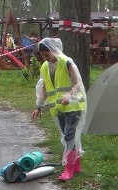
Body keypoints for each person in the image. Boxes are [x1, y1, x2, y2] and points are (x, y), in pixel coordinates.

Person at [31, 37, 86, 181]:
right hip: (58, 107)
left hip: (73, 106)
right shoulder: (45, 67)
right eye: (42, 56)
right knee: (69, 136)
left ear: (54, 50)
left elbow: (78, 83)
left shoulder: (66, 62)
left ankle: (69, 170)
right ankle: (77, 165)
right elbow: (43, 88)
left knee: (69, 135)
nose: (45, 58)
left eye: (47, 55)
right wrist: (39, 106)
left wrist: (69, 95)